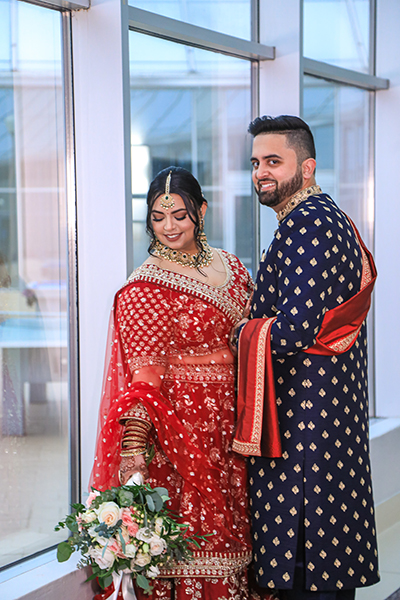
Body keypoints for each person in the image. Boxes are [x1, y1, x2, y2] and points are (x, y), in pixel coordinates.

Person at [90, 166, 270, 600]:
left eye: (180, 215)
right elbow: (143, 381)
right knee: (195, 542)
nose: (169, 226)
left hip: (235, 426)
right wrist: (132, 463)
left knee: (238, 537)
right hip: (181, 436)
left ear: (201, 212)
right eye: (157, 217)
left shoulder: (232, 267)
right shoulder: (142, 289)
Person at [232, 116, 379, 600]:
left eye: (273, 161)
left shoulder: (307, 224)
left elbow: (295, 329)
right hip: (329, 414)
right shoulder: (329, 215)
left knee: (306, 562)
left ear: (308, 167)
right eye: (256, 163)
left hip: (304, 423)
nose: (261, 172)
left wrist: (238, 333)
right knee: (328, 558)